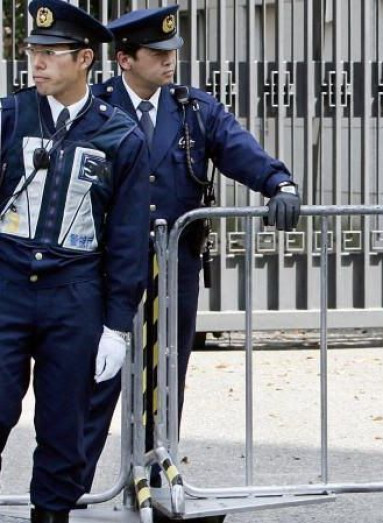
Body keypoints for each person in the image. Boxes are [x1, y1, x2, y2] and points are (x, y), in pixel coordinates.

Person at [81, 3, 300, 502]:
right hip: (105, 269)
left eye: (172, 51)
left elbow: (239, 149)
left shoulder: (193, 110)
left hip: (173, 267)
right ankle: (70, 489)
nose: (169, 60)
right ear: (125, 59)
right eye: (156, 52)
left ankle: (155, 481)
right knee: (95, 377)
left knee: (166, 375)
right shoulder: (96, 109)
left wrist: (279, 184)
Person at [0, 0, 150, 521]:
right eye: (32, 51)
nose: (37, 63)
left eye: (50, 53)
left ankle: (51, 515)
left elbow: (128, 237)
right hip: (7, 286)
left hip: (74, 295)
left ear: (85, 58)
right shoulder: (10, 117)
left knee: (65, 428)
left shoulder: (119, 134)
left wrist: (117, 326)